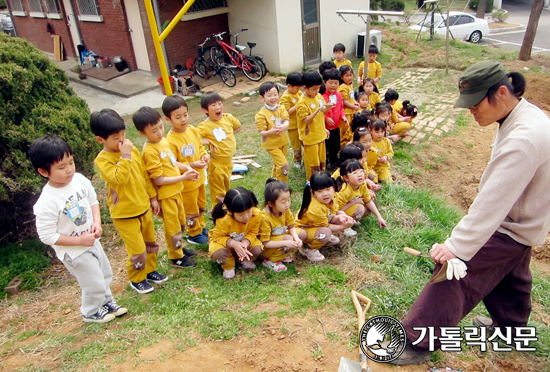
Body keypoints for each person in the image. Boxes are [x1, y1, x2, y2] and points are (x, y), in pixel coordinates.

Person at [393, 61, 550, 365]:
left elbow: (492, 201)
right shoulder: (523, 116)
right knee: (511, 275)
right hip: (527, 220)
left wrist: (456, 248)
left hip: (511, 223)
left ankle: (417, 340)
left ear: (501, 93)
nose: (471, 111)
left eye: (476, 103)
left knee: (454, 275)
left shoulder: (524, 138)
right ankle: (511, 329)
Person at [31, 136, 127, 323]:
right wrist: (79, 241)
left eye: (71, 162)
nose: (69, 169)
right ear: (44, 171)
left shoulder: (79, 180)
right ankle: (91, 311)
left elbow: (93, 201)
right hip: (74, 251)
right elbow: (47, 235)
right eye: (61, 167)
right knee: (92, 282)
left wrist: (97, 223)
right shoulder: (46, 202)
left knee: (104, 274)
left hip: (92, 241)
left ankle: (107, 302)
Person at [91, 109, 168, 295]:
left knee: (151, 243)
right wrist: (124, 156)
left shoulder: (132, 150)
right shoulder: (103, 160)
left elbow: (144, 175)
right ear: (100, 140)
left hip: (143, 207)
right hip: (125, 214)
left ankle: (150, 270)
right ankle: (137, 278)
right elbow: (120, 178)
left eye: (123, 134)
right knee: (137, 249)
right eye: (116, 137)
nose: (122, 140)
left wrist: (152, 197)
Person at [133, 106, 199, 269]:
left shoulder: (163, 142)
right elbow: (159, 179)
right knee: (173, 227)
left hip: (177, 190)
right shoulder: (149, 151)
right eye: (154, 130)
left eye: (161, 127)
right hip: (166, 195)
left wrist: (186, 168)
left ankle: (180, 248)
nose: (160, 132)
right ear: (143, 133)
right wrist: (183, 177)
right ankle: (175, 257)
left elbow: (172, 162)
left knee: (181, 222)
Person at [163, 95, 210, 245]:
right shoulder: (169, 141)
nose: (183, 119)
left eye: (185, 115)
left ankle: (201, 227)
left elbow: (200, 147)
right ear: (168, 120)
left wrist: (204, 156)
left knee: (201, 204)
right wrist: (193, 165)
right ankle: (193, 233)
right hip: (187, 184)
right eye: (178, 117)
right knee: (191, 208)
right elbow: (173, 163)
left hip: (200, 178)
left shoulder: (192, 130)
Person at [296, 172, 356, 262]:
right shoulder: (315, 208)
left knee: (339, 219)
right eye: (320, 191)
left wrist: (342, 216)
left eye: (328, 189)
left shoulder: (333, 197)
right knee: (326, 232)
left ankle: (320, 237)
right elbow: (326, 226)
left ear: (333, 188)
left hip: (316, 224)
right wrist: (344, 226)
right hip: (303, 229)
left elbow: (334, 212)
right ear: (313, 193)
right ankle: (307, 248)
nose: (325, 194)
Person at [197, 91, 242, 205]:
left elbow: (238, 127)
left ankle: (223, 208)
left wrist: (228, 137)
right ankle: (219, 212)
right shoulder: (204, 126)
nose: (218, 107)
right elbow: (194, 140)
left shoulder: (228, 118)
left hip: (228, 163)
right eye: (213, 105)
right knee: (218, 193)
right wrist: (208, 142)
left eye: (220, 103)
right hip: (216, 164)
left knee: (226, 188)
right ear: (205, 110)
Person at [209, 187, 263, 279]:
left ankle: (242, 259)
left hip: (243, 241)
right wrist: (233, 244)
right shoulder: (224, 220)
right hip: (225, 243)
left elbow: (253, 232)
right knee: (217, 252)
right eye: (240, 214)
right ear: (230, 212)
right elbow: (218, 237)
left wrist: (245, 243)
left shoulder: (256, 214)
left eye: (248, 211)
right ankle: (228, 266)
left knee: (258, 248)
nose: (246, 217)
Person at [259, 179, 307, 272]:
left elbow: (291, 226)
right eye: (283, 201)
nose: (287, 204)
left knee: (301, 234)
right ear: (271, 203)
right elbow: (265, 243)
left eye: (289, 199)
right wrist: (286, 243)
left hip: (279, 237)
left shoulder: (285, 211)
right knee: (288, 239)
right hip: (265, 247)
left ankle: (282, 254)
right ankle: (270, 260)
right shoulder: (265, 217)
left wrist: (296, 238)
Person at [296, 70, 333, 180]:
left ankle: (321, 179)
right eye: (314, 89)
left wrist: (327, 108)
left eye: (318, 88)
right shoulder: (302, 102)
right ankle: (312, 181)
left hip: (320, 136)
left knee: (322, 160)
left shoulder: (319, 97)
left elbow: (323, 113)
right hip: (310, 138)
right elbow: (306, 120)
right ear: (305, 88)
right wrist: (317, 110)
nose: (317, 91)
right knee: (313, 162)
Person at [255, 82, 290, 181]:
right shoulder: (261, 114)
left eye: (275, 94)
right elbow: (262, 132)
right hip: (271, 144)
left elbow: (286, 120)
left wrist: (284, 126)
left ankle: (273, 182)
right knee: (284, 165)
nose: (273, 97)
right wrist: (270, 132)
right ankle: (281, 187)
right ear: (262, 98)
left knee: (277, 164)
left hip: (282, 141)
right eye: (269, 95)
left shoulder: (281, 108)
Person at [336, 159, 386, 227]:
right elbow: (337, 211)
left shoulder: (362, 184)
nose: (359, 175)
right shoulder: (344, 191)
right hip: (339, 214)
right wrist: (353, 203)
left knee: (369, 204)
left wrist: (379, 217)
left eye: (361, 171)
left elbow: (368, 201)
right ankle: (344, 226)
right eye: (354, 173)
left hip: (349, 208)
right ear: (346, 178)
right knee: (360, 208)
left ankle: (353, 220)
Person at [322, 68, 347, 170]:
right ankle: (324, 161)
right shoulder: (321, 96)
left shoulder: (339, 95)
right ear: (325, 82)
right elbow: (320, 111)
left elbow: (341, 108)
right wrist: (326, 118)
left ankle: (333, 161)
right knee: (325, 146)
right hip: (325, 127)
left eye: (336, 83)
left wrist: (343, 116)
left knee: (335, 146)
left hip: (336, 126)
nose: (333, 85)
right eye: (330, 83)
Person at [280, 72, 303, 169]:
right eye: (297, 88)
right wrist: (298, 105)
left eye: (299, 88)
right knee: (296, 145)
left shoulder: (299, 93)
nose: (298, 90)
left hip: (301, 123)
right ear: (289, 86)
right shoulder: (285, 97)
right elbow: (286, 111)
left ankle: (306, 158)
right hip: (293, 126)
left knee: (304, 141)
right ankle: (297, 160)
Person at [338, 65, 359, 148]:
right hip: (346, 113)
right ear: (342, 77)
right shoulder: (343, 87)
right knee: (343, 130)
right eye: (347, 76)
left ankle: (346, 145)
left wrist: (355, 102)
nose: (349, 77)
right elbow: (344, 101)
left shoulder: (350, 85)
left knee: (349, 129)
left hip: (351, 112)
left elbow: (351, 98)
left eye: (351, 75)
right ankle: (340, 146)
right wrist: (353, 107)